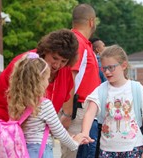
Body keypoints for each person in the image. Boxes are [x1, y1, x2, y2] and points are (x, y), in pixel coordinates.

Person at [0, 29, 78, 129]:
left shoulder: (65, 72)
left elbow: (65, 96)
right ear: (46, 50)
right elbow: (14, 99)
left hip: (29, 129)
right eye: (55, 58)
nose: (57, 65)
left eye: (64, 61)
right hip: (1, 121)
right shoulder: (26, 63)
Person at [7, 53, 91, 158]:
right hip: (40, 152)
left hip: (23, 150)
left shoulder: (17, 102)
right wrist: (75, 143)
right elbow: (59, 132)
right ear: (40, 80)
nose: (48, 81)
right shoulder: (44, 105)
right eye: (47, 78)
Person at [81, 45, 143, 158]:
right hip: (107, 151)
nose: (107, 72)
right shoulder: (101, 90)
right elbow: (90, 113)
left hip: (134, 148)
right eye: (104, 68)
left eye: (111, 67)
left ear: (123, 65)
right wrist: (85, 133)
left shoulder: (136, 88)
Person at [61, 4, 100, 158]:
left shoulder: (81, 42)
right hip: (78, 110)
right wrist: (68, 113)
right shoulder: (78, 42)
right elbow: (70, 77)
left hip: (83, 110)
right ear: (91, 21)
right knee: (73, 153)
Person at [89, 37, 106, 158]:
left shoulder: (92, 64)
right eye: (103, 46)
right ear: (98, 49)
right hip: (102, 109)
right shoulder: (102, 65)